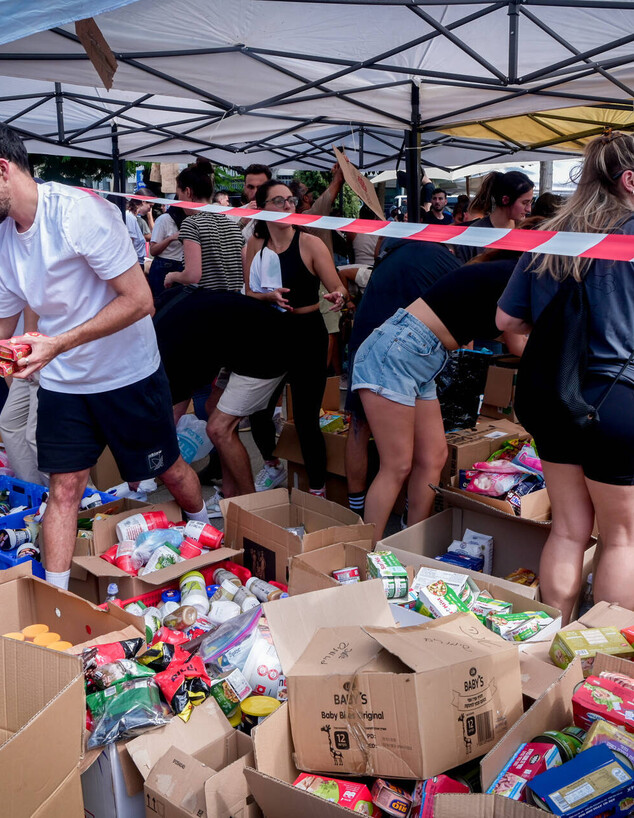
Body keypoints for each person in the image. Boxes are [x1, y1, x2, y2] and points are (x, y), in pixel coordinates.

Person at [0, 124, 208, 590]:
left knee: (170, 470)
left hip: (127, 374)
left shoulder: (78, 213)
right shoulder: (3, 240)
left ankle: (207, 530)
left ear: (2, 169)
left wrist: (55, 343)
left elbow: (139, 301)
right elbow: (4, 326)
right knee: (64, 488)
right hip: (64, 384)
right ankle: (55, 604)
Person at [496, 131, 634, 623]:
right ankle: (602, 665)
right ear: (630, 180)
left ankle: (550, 644)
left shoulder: (550, 235)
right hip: (618, 397)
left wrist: (560, 354)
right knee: (620, 537)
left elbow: (506, 322)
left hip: (554, 395)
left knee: (569, 530)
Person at [350, 252, 528, 543]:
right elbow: (517, 342)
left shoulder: (509, 274)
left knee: (434, 456)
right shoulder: (517, 278)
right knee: (397, 465)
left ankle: (409, 543)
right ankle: (366, 555)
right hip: (398, 353)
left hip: (421, 357)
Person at [245, 180, 347, 497]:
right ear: (263, 207)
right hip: (269, 334)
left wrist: (339, 296)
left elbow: (338, 286)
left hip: (306, 333)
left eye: (291, 200)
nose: (289, 206)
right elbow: (249, 291)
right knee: (258, 412)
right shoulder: (254, 243)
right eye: (279, 201)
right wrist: (266, 297)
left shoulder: (310, 243)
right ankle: (273, 466)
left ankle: (317, 488)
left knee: (305, 419)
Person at [344, 241, 460, 517]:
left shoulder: (396, 253)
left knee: (369, 432)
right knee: (397, 464)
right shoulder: (447, 263)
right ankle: (372, 536)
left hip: (384, 346)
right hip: (398, 353)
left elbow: (350, 272)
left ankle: (364, 517)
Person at [154, 288, 291, 498]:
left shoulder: (165, 344)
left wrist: (148, 460)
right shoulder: (162, 304)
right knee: (212, 408)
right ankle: (229, 494)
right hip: (241, 342)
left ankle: (250, 505)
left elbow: (173, 413)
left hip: (268, 347)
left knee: (219, 428)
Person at [164, 168, 243, 291]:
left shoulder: (191, 223)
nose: (179, 201)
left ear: (188, 192)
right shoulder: (232, 225)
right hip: (235, 301)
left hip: (207, 303)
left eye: (179, 196)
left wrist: (171, 276)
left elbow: (192, 276)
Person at [456, 171, 534, 263]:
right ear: (505, 200)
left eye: (531, 202)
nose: (529, 209)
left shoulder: (526, 231)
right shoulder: (473, 235)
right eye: (524, 203)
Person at [148, 207, 183, 298]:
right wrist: (171, 238)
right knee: (160, 302)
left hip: (183, 266)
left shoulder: (191, 220)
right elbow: (153, 250)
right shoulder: (164, 219)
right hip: (164, 265)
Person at [125, 199, 148, 267]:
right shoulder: (129, 216)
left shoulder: (133, 217)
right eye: (150, 206)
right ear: (143, 202)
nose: (149, 210)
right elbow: (130, 241)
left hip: (138, 261)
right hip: (134, 262)